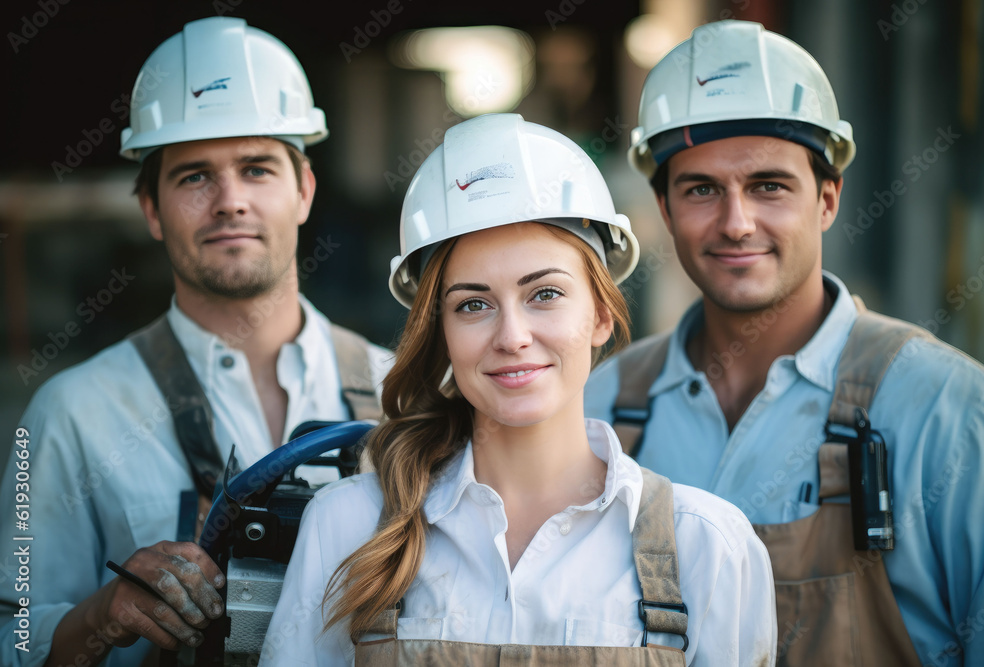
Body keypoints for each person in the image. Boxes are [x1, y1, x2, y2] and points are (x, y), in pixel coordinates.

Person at [259, 113, 777, 666]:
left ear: (601, 315)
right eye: (473, 305)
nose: (511, 337)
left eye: (545, 294)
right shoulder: (347, 527)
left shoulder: (706, 546)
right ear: (442, 331)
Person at [584, 19, 984, 667]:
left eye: (768, 186)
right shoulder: (604, 406)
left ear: (828, 199)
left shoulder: (951, 410)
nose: (736, 222)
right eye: (701, 190)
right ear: (664, 210)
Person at [0, 17, 391, 667]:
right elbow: (11, 638)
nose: (229, 200)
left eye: (257, 168)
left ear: (305, 190)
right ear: (151, 208)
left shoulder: (401, 393)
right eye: (193, 176)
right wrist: (102, 613)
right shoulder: (73, 412)